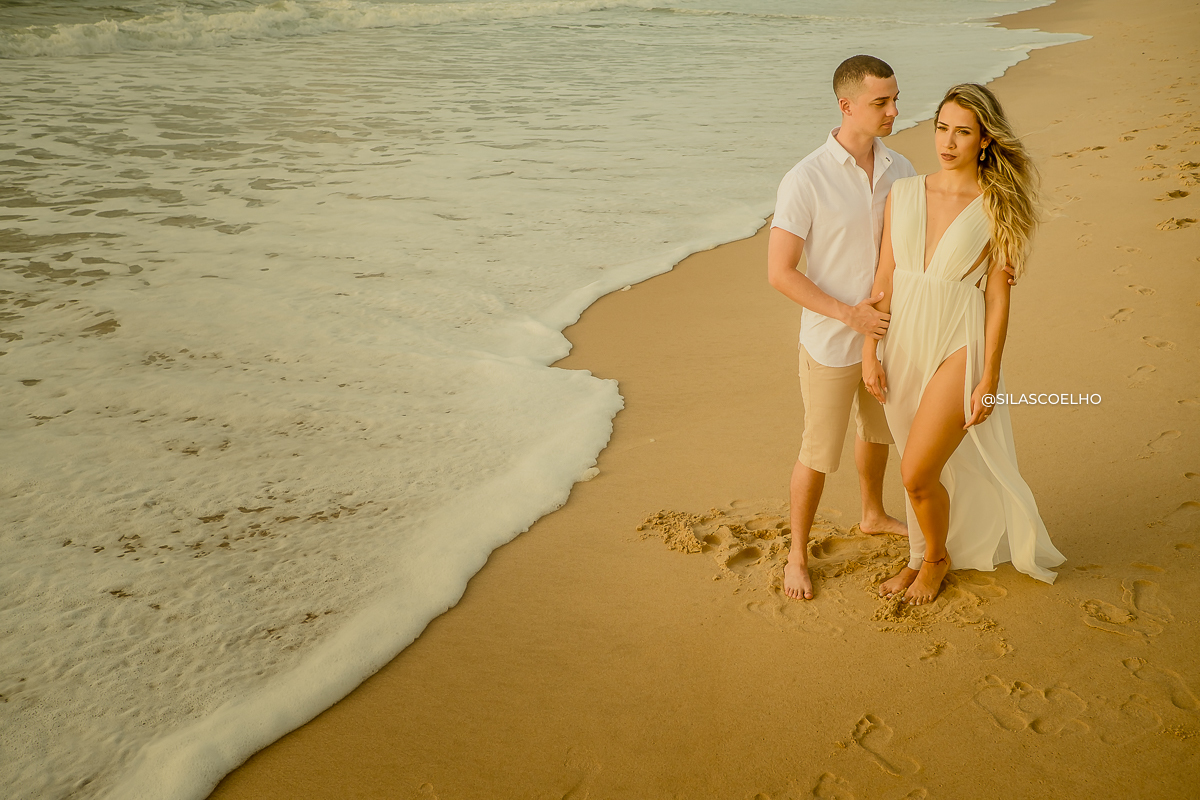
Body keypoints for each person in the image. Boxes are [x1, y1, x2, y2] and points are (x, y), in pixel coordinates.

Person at [862, 83, 1066, 605]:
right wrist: (870, 349)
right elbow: (885, 276)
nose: (948, 142)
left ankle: (935, 559)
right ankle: (918, 553)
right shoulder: (903, 194)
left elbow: (998, 300)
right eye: (942, 128)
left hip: (959, 341)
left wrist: (989, 377)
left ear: (984, 140)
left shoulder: (997, 206)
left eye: (963, 132)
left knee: (916, 471)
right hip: (903, 341)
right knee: (917, 464)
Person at [767, 55, 914, 601]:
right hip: (830, 342)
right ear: (846, 105)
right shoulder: (805, 178)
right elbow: (779, 272)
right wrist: (848, 315)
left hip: (888, 336)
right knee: (818, 452)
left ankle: (872, 513)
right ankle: (796, 554)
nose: (894, 111)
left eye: (896, 98)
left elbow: (918, 246)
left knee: (877, 434)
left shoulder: (901, 170)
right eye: (882, 102)